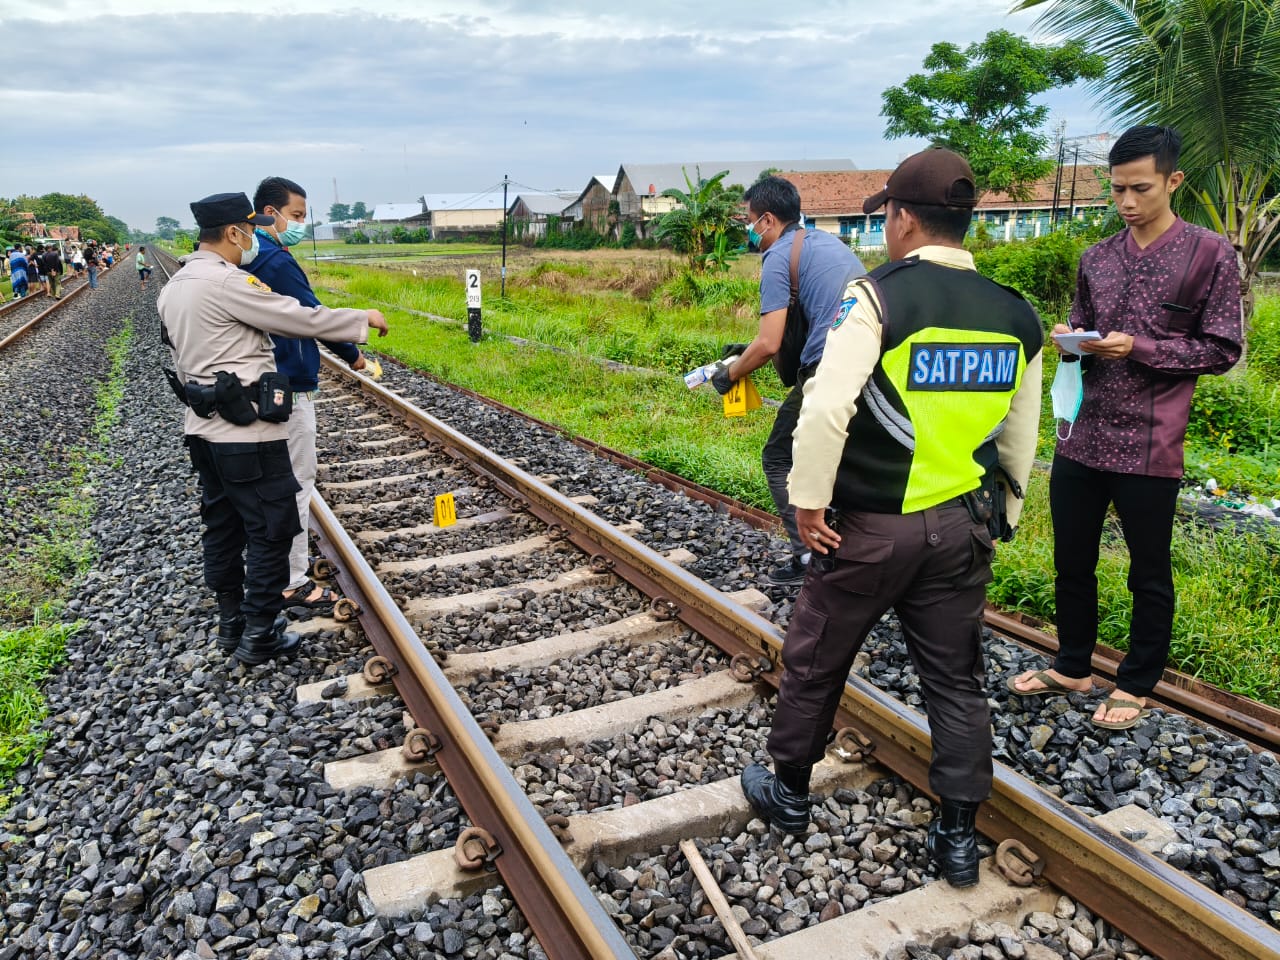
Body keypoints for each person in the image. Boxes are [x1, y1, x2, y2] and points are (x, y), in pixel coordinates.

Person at [739, 148, 1044, 888]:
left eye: (888, 219)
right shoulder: (1015, 313)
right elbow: (1020, 433)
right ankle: (958, 835)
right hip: (961, 531)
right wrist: (1003, 508)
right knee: (955, 679)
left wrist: (808, 502)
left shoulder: (878, 299)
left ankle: (787, 791)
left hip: (871, 528)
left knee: (817, 654)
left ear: (904, 218)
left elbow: (826, 405)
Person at [1008, 126, 1243, 729]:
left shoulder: (1209, 253)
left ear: (1173, 181)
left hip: (1150, 442)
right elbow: (1083, 329)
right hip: (1081, 436)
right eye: (1117, 190)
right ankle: (1072, 664)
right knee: (1072, 559)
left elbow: (1221, 349)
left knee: (1148, 569)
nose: (1128, 202)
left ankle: (1137, 683)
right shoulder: (1098, 257)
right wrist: (1071, 342)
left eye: (1140, 188)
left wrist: (1139, 348)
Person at [157, 192, 389, 665]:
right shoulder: (227, 282)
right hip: (247, 433)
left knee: (223, 527)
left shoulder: (175, 284)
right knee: (273, 528)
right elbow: (293, 315)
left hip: (202, 429)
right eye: (251, 229)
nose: (255, 236)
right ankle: (261, 631)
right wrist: (360, 320)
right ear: (233, 233)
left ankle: (231, 623)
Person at [710, 175, 866, 585]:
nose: (747, 229)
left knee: (779, 457)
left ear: (766, 220)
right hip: (869, 364)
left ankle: (806, 559)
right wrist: (746, 350)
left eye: (748, 220)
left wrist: (730, 374)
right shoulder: (826, 244)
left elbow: (769, 342)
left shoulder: (778, 256)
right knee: (839, 461)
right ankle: (843, 549)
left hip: (830, 367)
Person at [243, 176, 368, 611]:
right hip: (288, 385)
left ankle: (271, 570)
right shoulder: (275, 261)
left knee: (268, 483)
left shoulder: (246, 255)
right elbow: (314, 318)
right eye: (295, 216)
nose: (299, 224)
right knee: (296, 481)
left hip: (257, 383)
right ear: (268, 212)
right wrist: (354, 355)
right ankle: (292, 579)